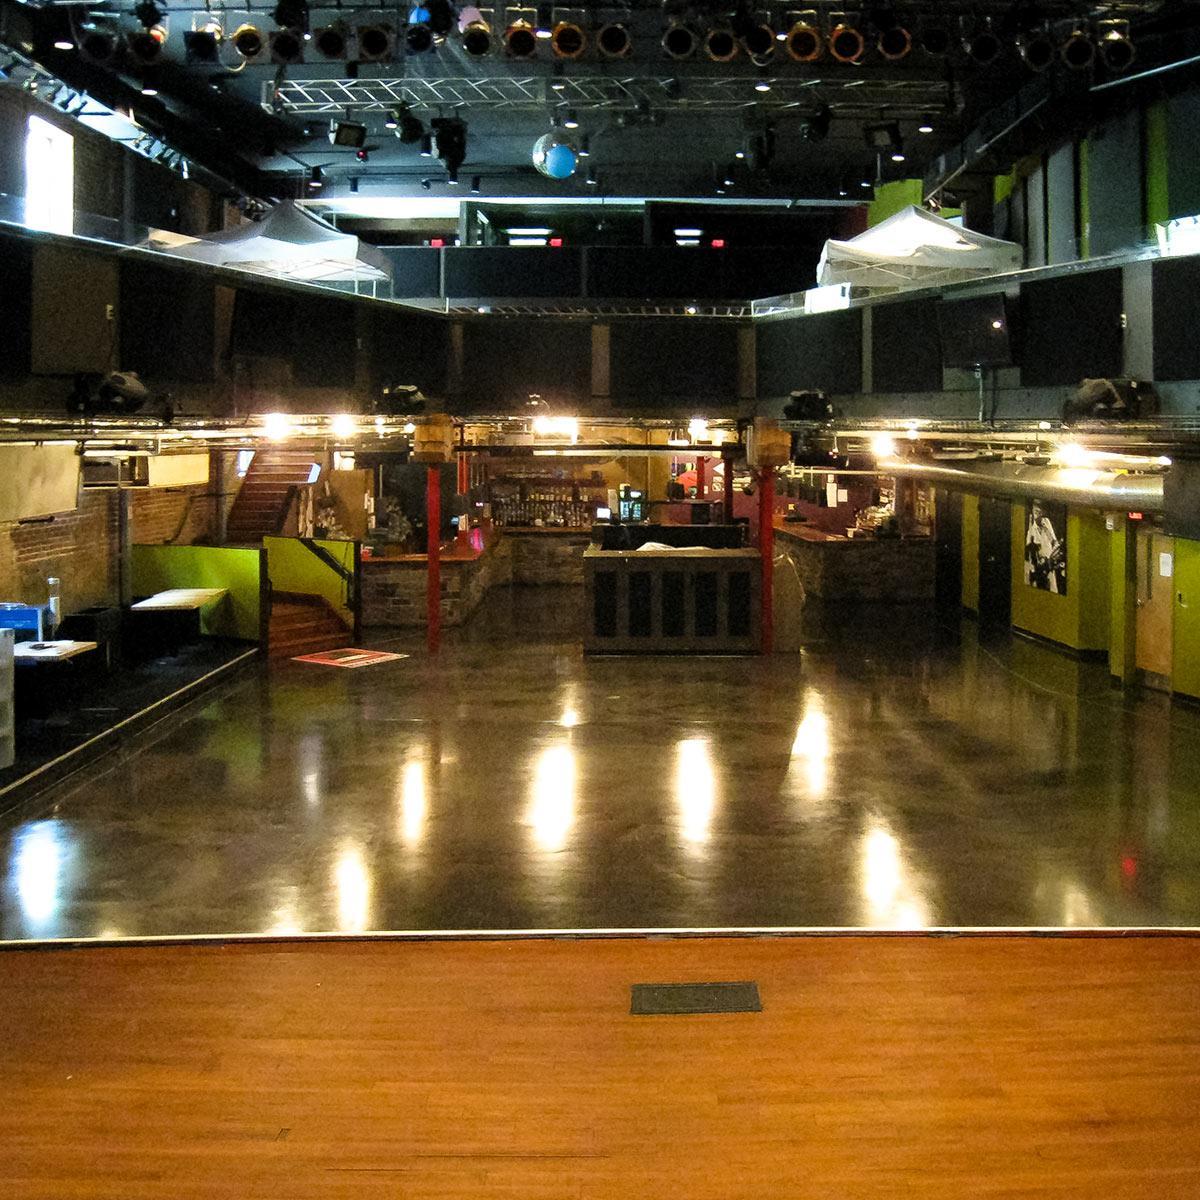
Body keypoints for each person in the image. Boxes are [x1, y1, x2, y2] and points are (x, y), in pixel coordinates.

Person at [1025, 502, 1064, 593]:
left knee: (1053, 588)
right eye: (1036, 512)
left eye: (1040, 512)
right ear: (1033, 513)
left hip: (1050, 563)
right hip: (1039, 567)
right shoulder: (1031, 531)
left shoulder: (1046, 522)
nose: (1039, 514)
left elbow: (1054, 541)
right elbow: (1028, 551)